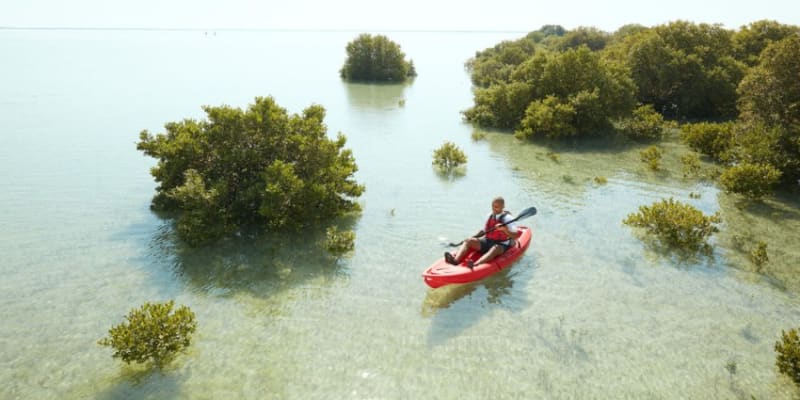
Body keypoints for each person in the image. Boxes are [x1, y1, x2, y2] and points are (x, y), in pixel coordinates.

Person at [445, 197, 520, 269]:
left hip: (501, 245)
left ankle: (475, 265)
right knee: (468, 240)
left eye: (496, 207)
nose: (494, 209)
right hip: (487, 241)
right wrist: (472, 238)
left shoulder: (508, 218)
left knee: (495, 248)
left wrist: (504, 229)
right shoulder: (489, 215)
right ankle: (455, 261)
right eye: (493, 206)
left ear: (503, 206)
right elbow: (484, 231)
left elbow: (516, 236)